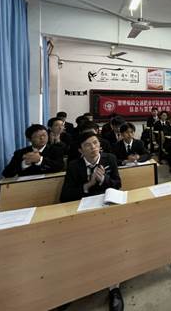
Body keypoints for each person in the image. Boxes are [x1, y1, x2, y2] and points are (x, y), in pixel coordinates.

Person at [59, 131, 123, 311]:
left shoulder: (109, 159)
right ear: (80, 150)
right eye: (88, 145)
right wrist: (88, 185)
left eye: (95, 143)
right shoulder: (74, 165)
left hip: (108, 209)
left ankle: (114, 287)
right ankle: (75, 287)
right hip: (84, 212)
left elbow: (117, 184)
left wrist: (103, 180)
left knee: (113, 245)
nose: (93, 147)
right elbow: (65, 196)